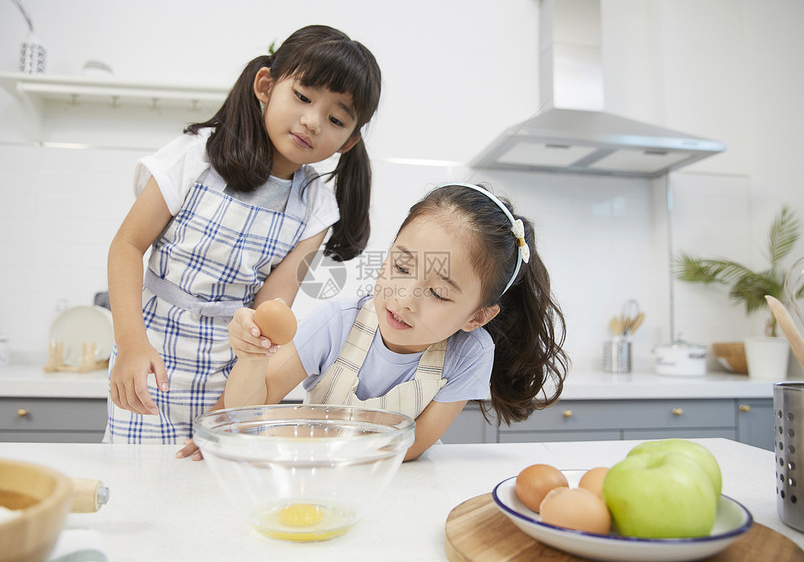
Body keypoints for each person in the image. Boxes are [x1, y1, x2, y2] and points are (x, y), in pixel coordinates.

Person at [103, 25, 382, 444]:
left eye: (336, 118)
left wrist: (230, 407)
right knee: (139, 488)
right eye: (303, 97)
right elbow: (126, 247)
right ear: (266, 86)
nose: (312, 121)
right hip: (149, 359)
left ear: (348, 140)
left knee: (214, 499)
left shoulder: (317, 207)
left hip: (231, 377)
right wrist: (130, 345)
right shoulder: (198, 154)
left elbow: (269, 310)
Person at [193, 183, 569, 461]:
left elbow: (413, 446)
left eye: (438, 294)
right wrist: (253, 357)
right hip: (318, 481)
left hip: (395, 489)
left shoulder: (470, 354)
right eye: (401, 267)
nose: (404, 299)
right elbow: (246, 413)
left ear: (476, 316)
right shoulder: (336, 324)